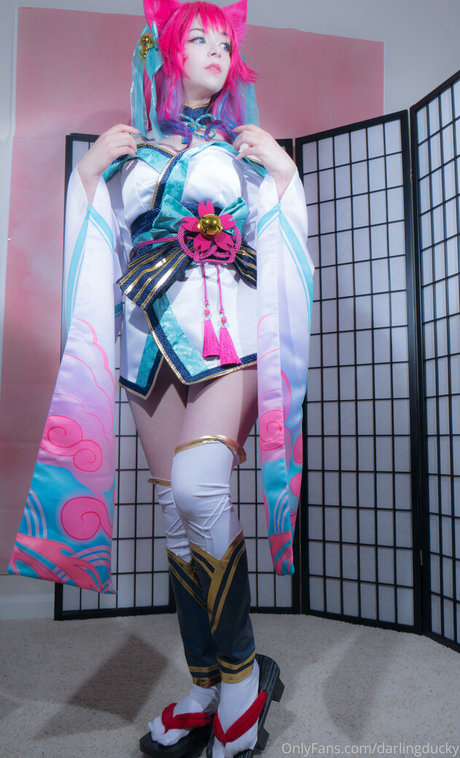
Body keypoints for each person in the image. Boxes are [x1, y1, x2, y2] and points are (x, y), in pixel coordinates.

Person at [8, 1, 314, 756]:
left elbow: (275, 242)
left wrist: (284, 175)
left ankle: (243, 679)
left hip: (227, 335)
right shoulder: (129, 152)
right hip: (148, 347)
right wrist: (87, 175)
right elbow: (103, 244)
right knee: (176, 517)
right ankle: (205, 684)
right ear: (164, 51)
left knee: (199, 489)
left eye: (224, 42)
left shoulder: (246, 152)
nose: (215, 51)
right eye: (198, 37)